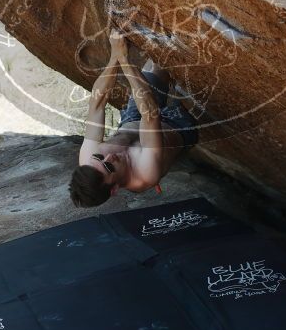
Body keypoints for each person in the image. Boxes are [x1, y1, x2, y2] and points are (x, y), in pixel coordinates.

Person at [69, 29, 198, 207]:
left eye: (100, 157)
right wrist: (124, 60)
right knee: (199, 87)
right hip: (178, 126)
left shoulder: (89, 161)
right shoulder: (145, 174)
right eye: (109, 167)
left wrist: (115, 57)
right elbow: (151, 116)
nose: (109, 157)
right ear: (114, 189)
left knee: (161, 59)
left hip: (133, 118)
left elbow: (97, 103)